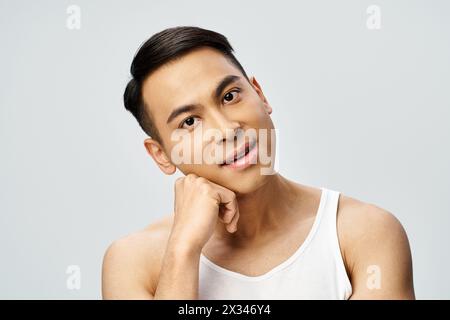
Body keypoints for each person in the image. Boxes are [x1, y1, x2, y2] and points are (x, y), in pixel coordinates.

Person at [101, 26, 415, 299]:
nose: (227, 130)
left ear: (260, 95)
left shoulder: (362, 233)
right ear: (161, 154)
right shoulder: (133, 261)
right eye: (189, 121)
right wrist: (183, 250)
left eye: (229, 96)